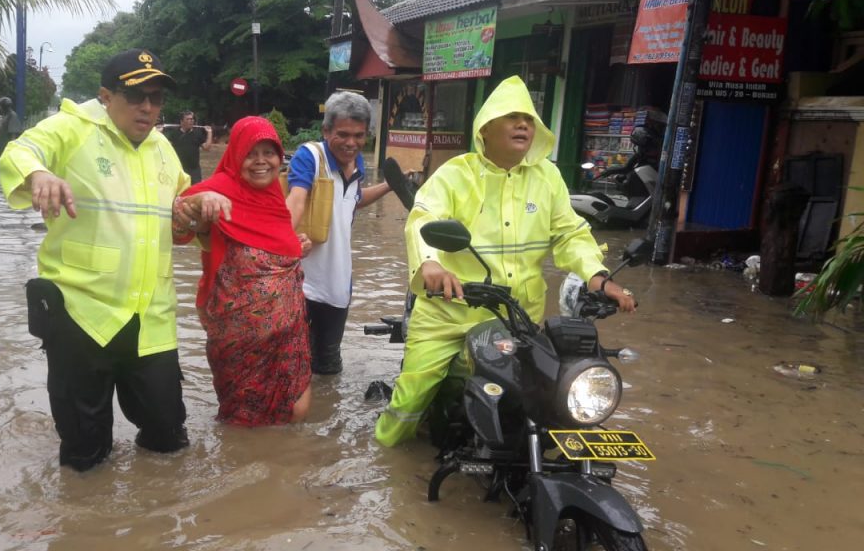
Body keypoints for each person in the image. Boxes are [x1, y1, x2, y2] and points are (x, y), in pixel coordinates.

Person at [374, 75, 636, 447]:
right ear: (486, 127)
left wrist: (597, 276)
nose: (523, 124)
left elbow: (569, 233)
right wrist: (430, 263)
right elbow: (424, 218)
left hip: (516, 318)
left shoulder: (547, 177)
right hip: (451, 312)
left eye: (529, 119)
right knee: (413, 396)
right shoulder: (456, 174)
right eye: (512, 116)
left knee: (543, 395)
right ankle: (386, 455)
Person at [0, 48, 191, 471]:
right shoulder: (72, 128)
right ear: (106, 96)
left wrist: (200, 207)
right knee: (86, 454)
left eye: (156, 98)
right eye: (136, 95)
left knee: (168, 438)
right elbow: (18, 150)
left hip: (150, 316)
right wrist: (39, 175)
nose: (148, 107)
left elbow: (183, 210)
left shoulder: (164, 149)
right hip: (81, 314)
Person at [173, 116, 312, 426]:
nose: (261, 161)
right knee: (242, 425)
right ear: (236, 154)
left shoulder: (275, 196)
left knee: (297, 412)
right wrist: (198, 203)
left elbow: (271, 246)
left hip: (289, 335)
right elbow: (176, 226)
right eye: (251, 153)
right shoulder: (219, 190)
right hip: (239, 344)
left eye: (269, 152)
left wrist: (296, 247)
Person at [285, 91, 394, 375]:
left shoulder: (358, 164)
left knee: (330, 366)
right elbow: (296, 198)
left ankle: (327, 416)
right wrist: (281, 241)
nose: (351, 143)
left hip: (338, 284)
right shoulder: (310, 156)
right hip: (302, 282)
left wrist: (390, 185)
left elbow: (353, 200)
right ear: (326, 130)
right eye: (343, 134)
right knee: (297, 367)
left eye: (359, 136)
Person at [165, 111, 211, 184]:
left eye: (192, 119)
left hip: (194, 170)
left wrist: (209, 133)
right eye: (188, 119)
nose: (191, 121)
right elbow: (165, 148)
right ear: (182, 121)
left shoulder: (197, 134)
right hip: (178, 169)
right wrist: (159, 132)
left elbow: (207, 148)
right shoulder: (174, 134)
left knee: (195, 192)